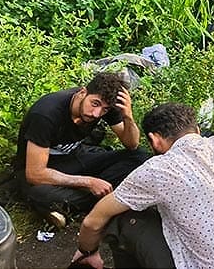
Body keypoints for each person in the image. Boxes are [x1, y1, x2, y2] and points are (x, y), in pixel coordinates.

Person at [69, 103, 214, 269]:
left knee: (122, 217)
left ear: (154, 140)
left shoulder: (159, 169)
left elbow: (93, 221)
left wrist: (87, 251)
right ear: (197, 130)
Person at [15, 72, 148, 226]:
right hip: (42, 168)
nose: (96, 114)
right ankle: (111, 198)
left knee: (139, 157)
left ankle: (78, 203)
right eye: (95, 104)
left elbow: (132, 144)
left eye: (104, 110)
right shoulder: (47, 114)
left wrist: (128, 117)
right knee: (39, 194)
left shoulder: (104, 105)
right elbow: (35, 174)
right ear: (83, 92)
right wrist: (88, 182)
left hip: (75, 157)